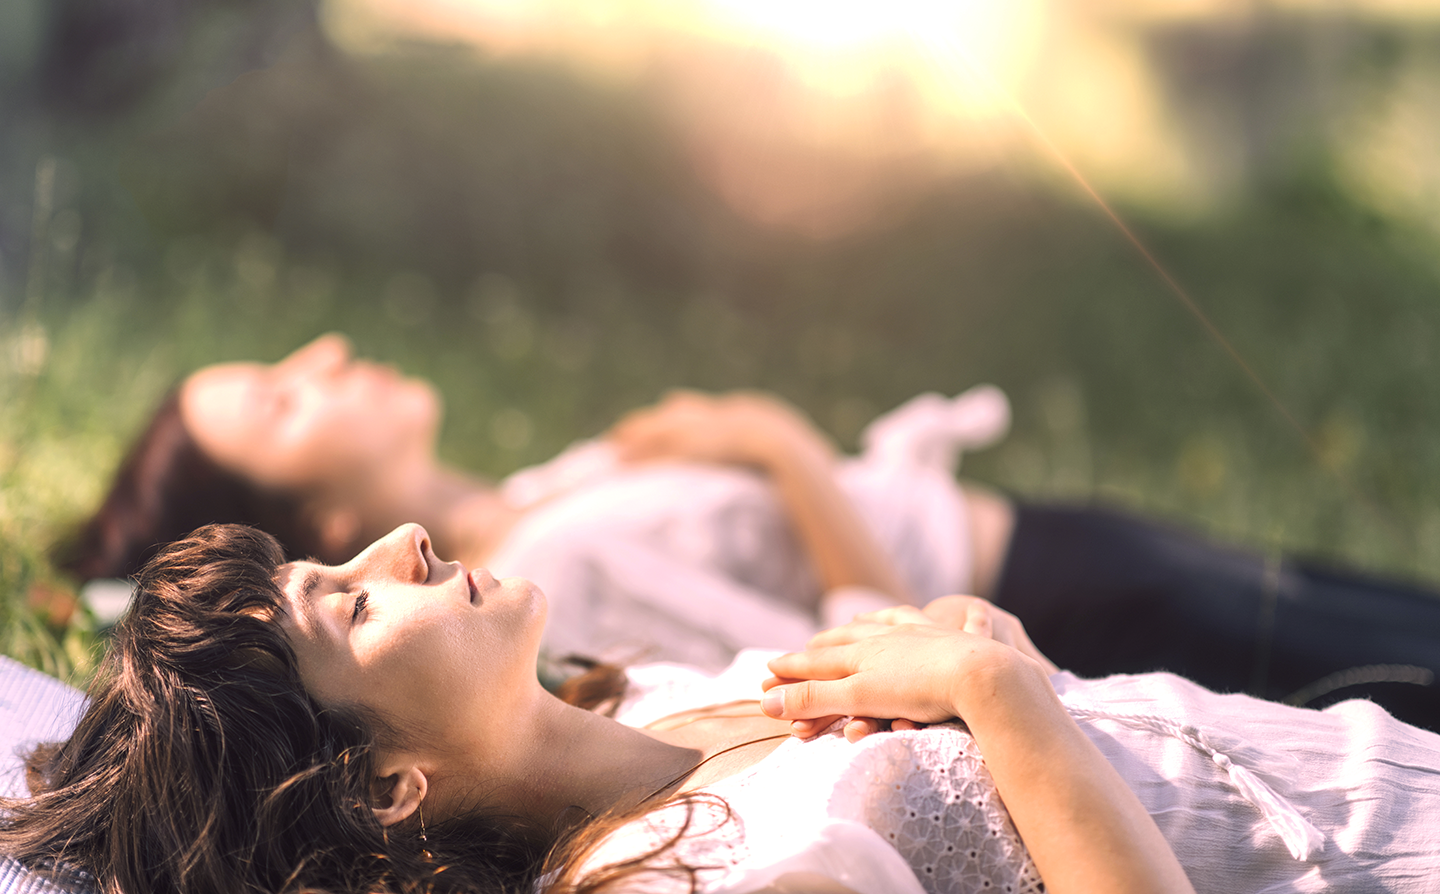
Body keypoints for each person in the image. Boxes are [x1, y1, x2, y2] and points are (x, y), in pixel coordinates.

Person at [63, 334, 1440, 730]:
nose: (325, 353)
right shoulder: (551, 574)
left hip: (1060, 542)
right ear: (323, 520)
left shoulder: (537, 494)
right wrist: (780, 444)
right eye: (283, 400)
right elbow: (856, 659)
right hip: (1055, 602)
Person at [6, 522, 1440, 894]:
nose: (399, 550)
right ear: (386, 788)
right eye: (359, 609)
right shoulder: (682, 875)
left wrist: (976, 650)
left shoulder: (663, 702)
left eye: (337, 564)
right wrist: (1003, 698)